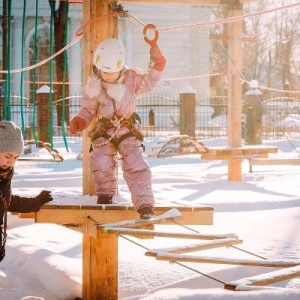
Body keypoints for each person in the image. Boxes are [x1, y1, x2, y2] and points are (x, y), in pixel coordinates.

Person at [69, 38, 166, 219]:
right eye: (104, 72)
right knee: (99, 160)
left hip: (127, 129)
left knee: (135, 163)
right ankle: (105, 194)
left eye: (111, 73)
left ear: (121, 67)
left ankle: (144, 203)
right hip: (105, 130)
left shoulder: (132, 80)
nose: (107, 76)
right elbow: (88, 109)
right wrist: (81, 120)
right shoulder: (94, 85)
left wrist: (158, 65)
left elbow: (149, 83)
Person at [0, 121, 53, 262]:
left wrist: (36, 202)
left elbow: (7, 202)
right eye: (8, 156)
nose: (11, 161)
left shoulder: (4, 175)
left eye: (16, 157)